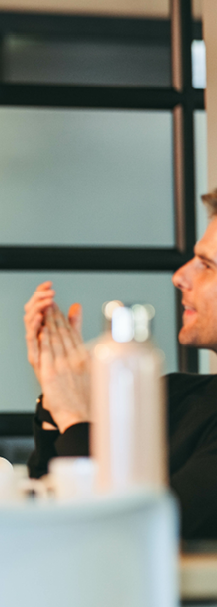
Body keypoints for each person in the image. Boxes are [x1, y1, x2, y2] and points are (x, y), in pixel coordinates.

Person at [25, 190, 217, 538]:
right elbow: (48, 507)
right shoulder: (169, 395)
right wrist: (57, 395)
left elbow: (138, 532)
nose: (180, 276)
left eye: (207, 265)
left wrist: (75, 419)